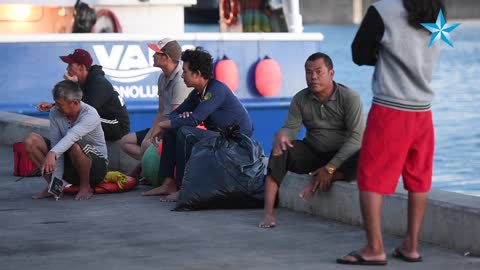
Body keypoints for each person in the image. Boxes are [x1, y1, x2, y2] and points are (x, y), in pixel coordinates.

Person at [337, 0, 444, 265]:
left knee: (371, 177)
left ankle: (374, 248)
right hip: (423, 110)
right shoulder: (435, 10)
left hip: (391, 110)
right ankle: (412, 246)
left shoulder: (383, 10)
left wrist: (384, 58)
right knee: (418, 178)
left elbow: (358, 53)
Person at [259, 52, 365, 228]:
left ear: (331, 73)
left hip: (343, 156)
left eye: (318, 71)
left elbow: (356, 137)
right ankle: (268, 214)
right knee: (280, 150)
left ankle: (331, 175)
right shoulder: (300, 98)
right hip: (314, 151)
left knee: (368, 153)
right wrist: (283, 135)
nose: (313, 77)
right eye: (308, 72)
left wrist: (330, 168)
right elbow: (291, 128)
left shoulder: (350, 98)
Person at [142, 47, 253, 201]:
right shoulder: (197, 94)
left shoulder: (216, 90)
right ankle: (168, 183)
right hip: (220, 136)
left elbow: (194, 120)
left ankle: (184, 188)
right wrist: (179, 118)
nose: (182, 75)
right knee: (172, 129)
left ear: (197, 74)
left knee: (183, 132)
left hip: (235, 142)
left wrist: (163, 124)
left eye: (185, 71)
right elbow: (175, 114)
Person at [25, 48, 130, 171]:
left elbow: (83, 109)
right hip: (99, 119)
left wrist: (72, 85)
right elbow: (75, 105)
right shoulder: (84, 81)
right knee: (66, 120)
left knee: (76, 121)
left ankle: (64, 162)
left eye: (70, 65)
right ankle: (55, 175)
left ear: (81, 67)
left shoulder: (98, 82)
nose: (67, 69)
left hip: (116, 125)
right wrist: (54, 106)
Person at [119, 38, 192, 178]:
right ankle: (148, 169)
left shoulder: (180, 81)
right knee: (126, 142)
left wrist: (152, 139)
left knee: (147, 147)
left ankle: (152, 173)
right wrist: (151, 134)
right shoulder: (162, 77)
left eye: (156, 53)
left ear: (166, 57)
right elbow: (160, 111)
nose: (152, 55)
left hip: (174, 129)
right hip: (163, 125)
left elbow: (175, 119)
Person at [31, 80, 108, 201]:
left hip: (96, 170)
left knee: (73, 144)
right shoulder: (55, 112)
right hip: (70, 165)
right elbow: (57, 145)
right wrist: (56, 180)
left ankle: (85, 186)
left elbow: (71, 137)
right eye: (55, 103)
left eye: (59, 104)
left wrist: (52, 153)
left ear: (75, 103)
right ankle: (54, 186)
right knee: (32, 141)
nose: (56, 107)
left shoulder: (90, 114)